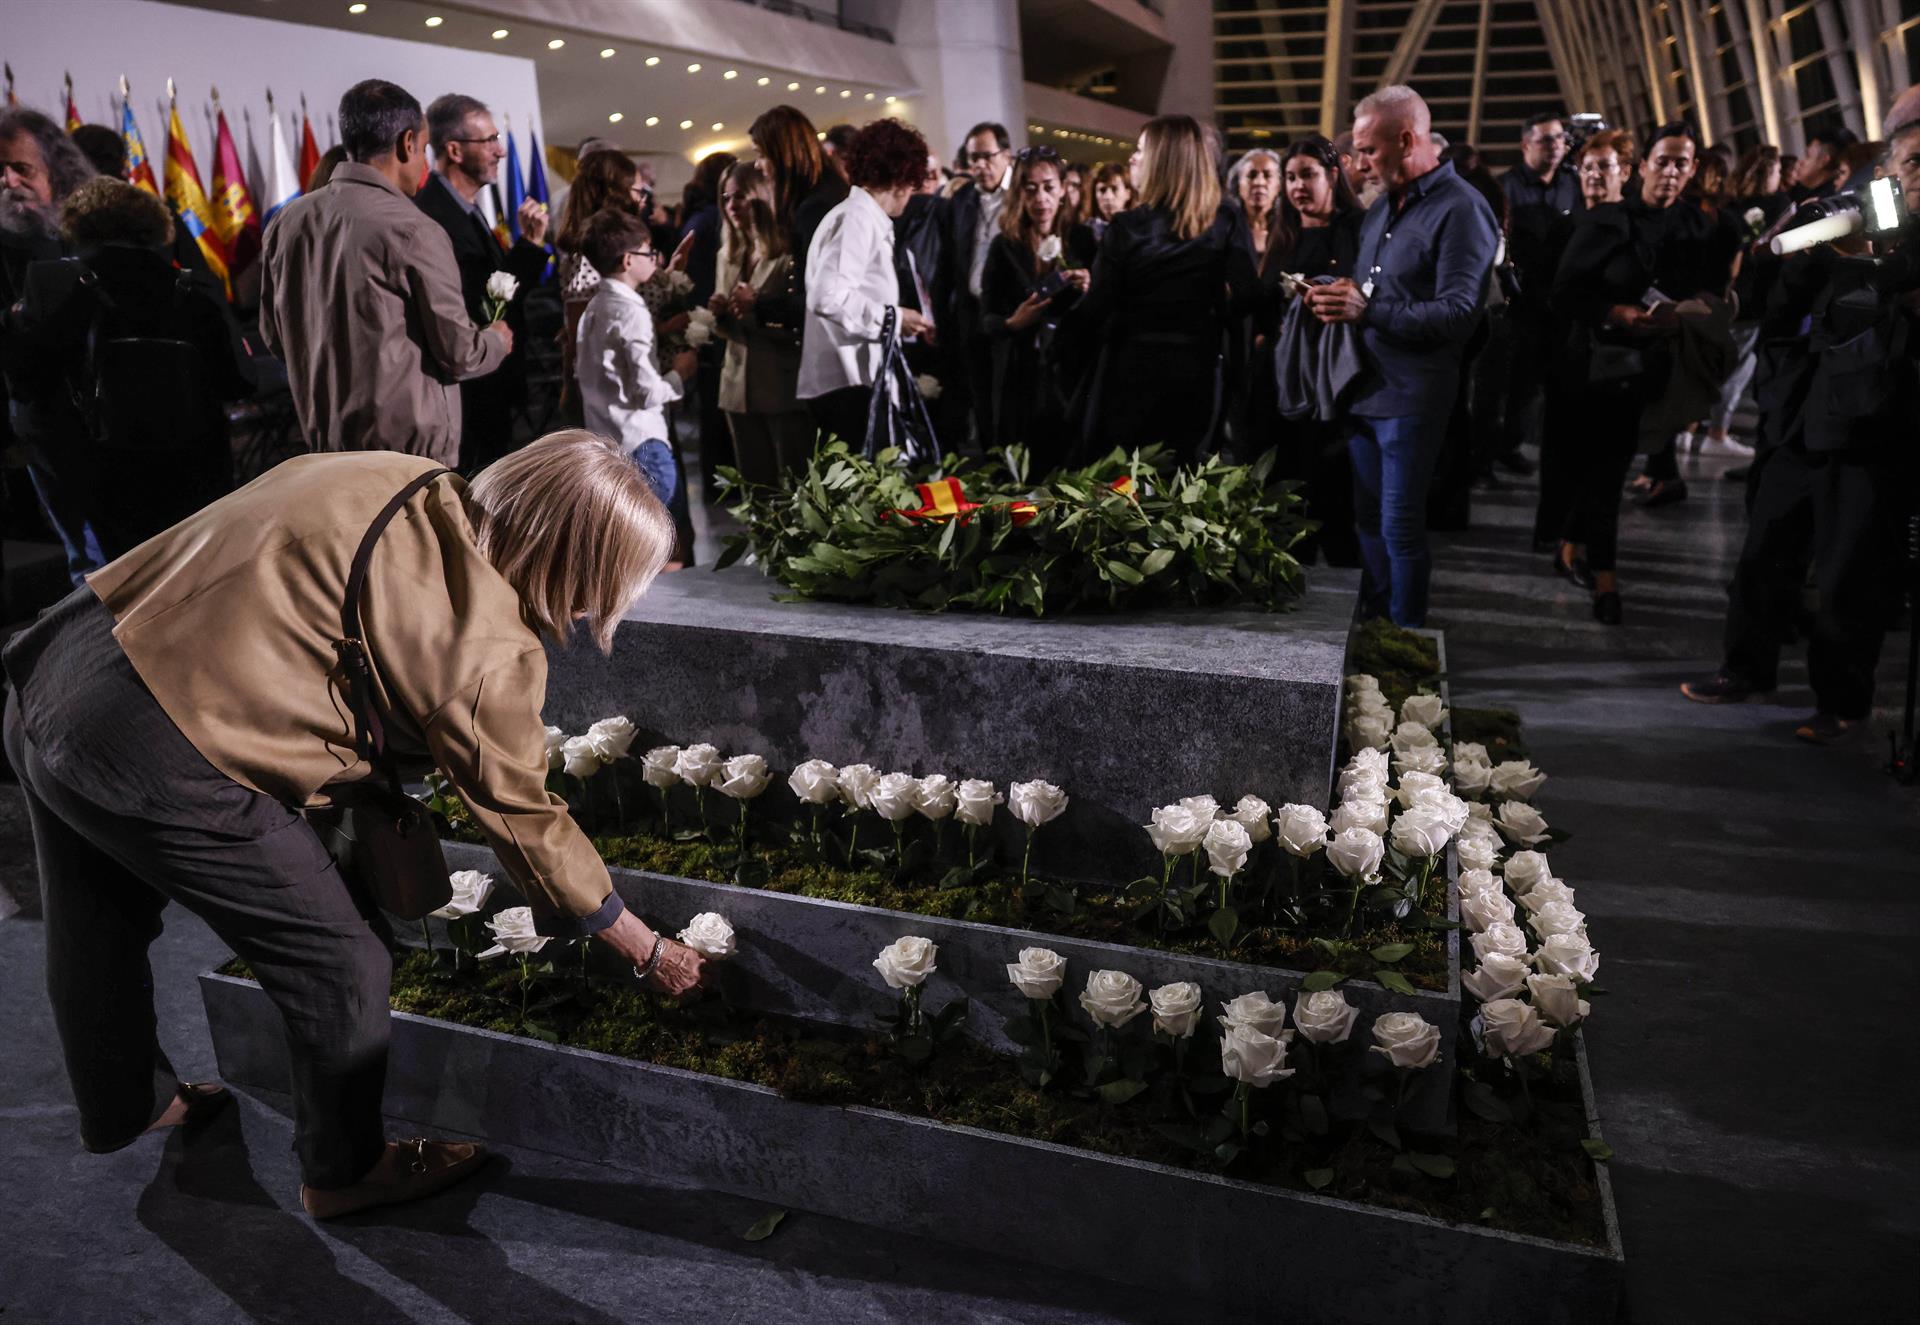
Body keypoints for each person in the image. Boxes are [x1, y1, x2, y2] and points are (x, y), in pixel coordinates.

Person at [3, 430, 707, 1221]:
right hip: (158, 742)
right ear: (586, 569)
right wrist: (641, 945)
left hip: (63, 662)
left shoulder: (403, 475)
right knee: (341, 962)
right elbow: (523, 816)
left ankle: (131, 1102)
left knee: (97, 916)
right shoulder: (491, 649)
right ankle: (346, 1170)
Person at [1682, 121, 1920, 741]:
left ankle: (1842, 701)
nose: (1918, 174)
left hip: (1875, 429)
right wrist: (1809, 240)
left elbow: (1880, 308)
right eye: (1912, 162)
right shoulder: (1856, 219)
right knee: (1764, 551)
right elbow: (1781, 308)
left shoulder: (1898, 241)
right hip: (1801, 417)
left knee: (1849, 573)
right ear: (1888, 170)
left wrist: (1868, 259)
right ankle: (1745, 668)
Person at [1306, 85, 1499, 627]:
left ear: (1407, 139)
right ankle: (1377, 624)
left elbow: (1460, 314)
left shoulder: (1462, 208)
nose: (1359, 164)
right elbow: (1377, 291)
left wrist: (1366, 311)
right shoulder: (1384, 206)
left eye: (1368, 150)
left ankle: (1408, 644)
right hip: (1366, 389)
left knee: (1400, 527)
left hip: (1413, 396)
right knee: (1368, 519)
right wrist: (1334, 293)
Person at [1547, 121, 1741, 624]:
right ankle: (1605, 580)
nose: (1672, 171)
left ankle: (1571, 543)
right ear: (1642, 166)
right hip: (1600, 365)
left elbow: (1710, 287)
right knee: (1607, 470)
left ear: (1694, 169)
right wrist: (1617, 313)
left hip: (1658, 364)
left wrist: (1696, 309)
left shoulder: (1699, 228)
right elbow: (1566, 292)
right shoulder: (1607, 221)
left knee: (1607, 466)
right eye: (1664, 160)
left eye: (1683, 162)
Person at [260, 80, 509, 467]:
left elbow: (275, 337)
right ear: (406, 143)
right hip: (406, 462)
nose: (425, 163)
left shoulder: (286, 222)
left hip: (325, 450)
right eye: (425, 149)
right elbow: (459, 354)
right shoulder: (413, 228)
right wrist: (495, 340)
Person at [4, 178, 250, 562]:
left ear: (78, 225)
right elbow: (235, 382)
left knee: (129, 580)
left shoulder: (68, 288)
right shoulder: (190, 288)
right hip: (195, 461)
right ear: (153, 224)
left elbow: (29, 377)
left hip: (109, 466)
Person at [1064, 114, 1255, 466]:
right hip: (1199, 369)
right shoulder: (1225, 219)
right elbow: (1245, 297)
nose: (1133, 159)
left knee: (1132, 482)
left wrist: (1057, 313)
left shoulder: (1126, 227)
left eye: (1141, 150)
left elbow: (1097, 309)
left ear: (1163, 161)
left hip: (1132, 373)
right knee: (1186, 480)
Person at [413, 94, 550, 473]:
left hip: (492, 386)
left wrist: (529, 246)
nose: (501, 151)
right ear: (454, 150)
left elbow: (497, 291)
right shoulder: (434, 216)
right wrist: (528, 248)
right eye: (489, 140)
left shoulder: (463, 209)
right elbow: (479, 303)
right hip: (470, 397)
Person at [0, 106, 98, 580]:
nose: (8, 181)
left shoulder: (91, 230)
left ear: (55, 172)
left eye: (21, 167)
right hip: (45, 419)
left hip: (110, 415)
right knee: (87, 558)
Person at [797, 118, 935, 446]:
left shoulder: (859, 216)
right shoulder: (856, 219)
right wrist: (895, 318)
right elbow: (827, 297)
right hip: (849, 383)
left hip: (852, 380)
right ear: (903, 177)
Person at [1261, 136, 1364, 566]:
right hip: (1284, 382)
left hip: (1335, 384)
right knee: (1289, 496)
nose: (1297, 185)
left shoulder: (1355, 229)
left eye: (1308, 174)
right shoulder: (1282, 233)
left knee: (1335, 496)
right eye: (1290, 177)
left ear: (1333, 177)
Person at [1533, 128, 1634, 558]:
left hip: (1610, 358)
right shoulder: (1565, 225)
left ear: (1624, 172)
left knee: (1599, 456)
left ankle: (1583, 538)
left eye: (1604, 166)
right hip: (1565, 355)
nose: (1594, 174)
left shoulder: (1630, 226)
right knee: (1559, 449)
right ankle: (1555, 532)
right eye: (1587, 167)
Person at [576, 209, 697, 529]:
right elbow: (645, 393)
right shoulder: (630, 311)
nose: (654, 260)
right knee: (663, 542)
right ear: (628, 260)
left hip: (607, 441)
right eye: (648, 252)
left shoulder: (593, 307)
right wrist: (680, 373)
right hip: (642, 441)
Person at [980, 145, 1088, 470]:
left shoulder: (1082, 239)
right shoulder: (1005, 246)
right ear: (1019, 195)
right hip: (1021, 375)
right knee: (1022, 471)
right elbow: (986, 319)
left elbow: (1105, 312)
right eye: (1031, 190)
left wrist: (1091, 286)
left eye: (1048, 187)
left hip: (1070, 371)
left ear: (1063, 191)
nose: (1041, 198)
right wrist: (1014, 322)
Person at [712, 160, 809, 485]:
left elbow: (799, 320)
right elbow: (726, 328)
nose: (731, 206)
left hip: (781, 382)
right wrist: (720, 313)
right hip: (737, 383)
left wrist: (754, 311)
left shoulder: (787, 253)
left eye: (739, 196)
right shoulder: (727, 254)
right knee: (755, 489)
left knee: (794, 486)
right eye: (725, 198)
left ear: (762, 196)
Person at [1496, 111, 1580, 478]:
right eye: (1546, 139)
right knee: (1519, 380)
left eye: (1560, 138)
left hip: (1563, 300)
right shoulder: (1507, 188)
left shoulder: (1573, 184)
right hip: (1524, 300)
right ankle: (1505, 445)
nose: (1555, 146)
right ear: (1525, 144)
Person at [749, 105, 850, 354]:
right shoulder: (827, 193)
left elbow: (821, 301)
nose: (757, 165)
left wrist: (756, 303)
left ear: (784, 155)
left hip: (832, 353)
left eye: (762, 155)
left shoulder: (815, 208)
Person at [940, 121, 1015, 447]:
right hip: (971, 313)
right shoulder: (961, 200)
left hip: (1012, 313)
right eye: (973, 159)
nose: (980, 166)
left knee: (1010, 395)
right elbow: (947, 263)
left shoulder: (1023, 195)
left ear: (1006, 154)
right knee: (980, 395)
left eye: (987, 156)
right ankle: (992, 469)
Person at [678, 150, 738, 500]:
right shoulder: (712, 221)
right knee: (718, 410)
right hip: (713, 323)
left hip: (701, 322)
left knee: (710, 409)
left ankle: (719, 485)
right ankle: (725, 486)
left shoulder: (695, 218)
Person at [1067, 161, 1133, 267]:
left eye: (1114, 189)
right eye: (1102, 190)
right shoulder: (1083, 233)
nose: (1108, 196)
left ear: (1128, 194)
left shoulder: (1138, 230)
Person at [1787, 127, 1857, 201]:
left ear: (1823, 161)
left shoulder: (1823, 203)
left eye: (1807, 156)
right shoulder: (1796, 192)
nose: (1800, 162)